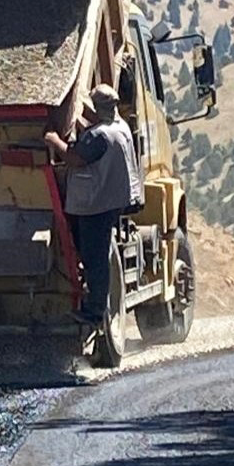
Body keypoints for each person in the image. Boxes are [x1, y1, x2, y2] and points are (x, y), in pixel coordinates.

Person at [45, 84, 143, 325]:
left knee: (94, 258)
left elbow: (74, 159)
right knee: (95, 256)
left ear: (96, 108)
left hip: (94, 205)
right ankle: (93, 304)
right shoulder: (120, 129)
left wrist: (54, 140)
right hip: (110, 203)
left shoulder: (98, 136)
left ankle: (94, 312)